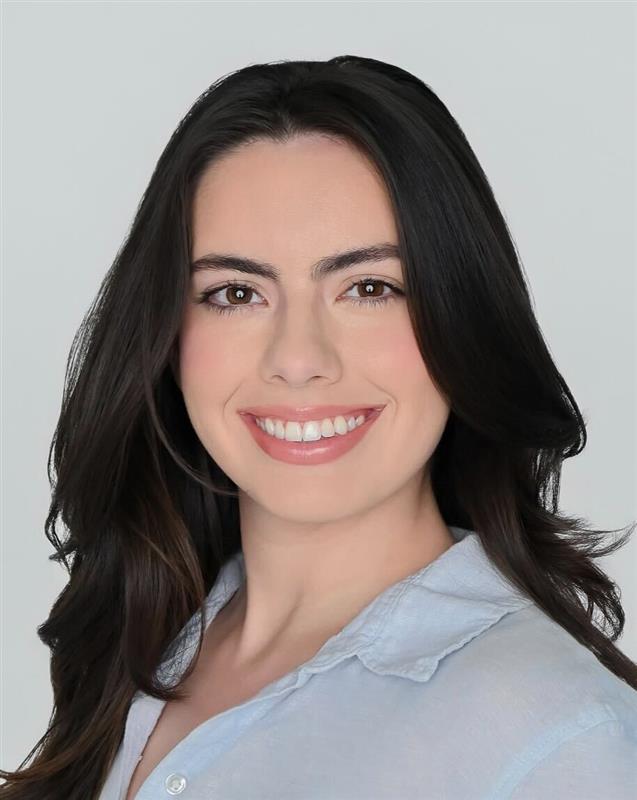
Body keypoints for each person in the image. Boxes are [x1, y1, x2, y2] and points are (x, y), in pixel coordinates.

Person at [1, 56, 635, 800]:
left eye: (368, 288)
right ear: (167, 336)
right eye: (234, 293)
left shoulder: (557, 736)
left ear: (461, 320)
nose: (297, 360)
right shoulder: (139, 640)